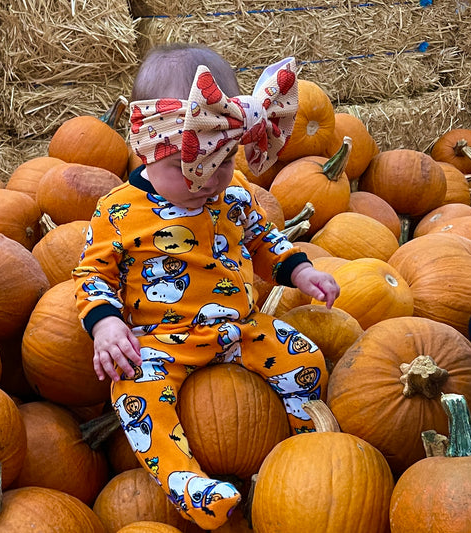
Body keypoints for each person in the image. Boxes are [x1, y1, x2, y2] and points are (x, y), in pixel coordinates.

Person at [73, 43, 340, 530]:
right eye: (187, 167)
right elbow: (93, 276)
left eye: (222, 161)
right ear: (145, 148)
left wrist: (301, 271)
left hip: (240, 328)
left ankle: (302, 453)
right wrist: (106, 326)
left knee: (305, 357)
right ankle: (185, 484)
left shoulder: (233, 194)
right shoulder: (118, 209)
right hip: (161, 342)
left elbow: (266, 240)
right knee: (135, 394)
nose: (208, 179)